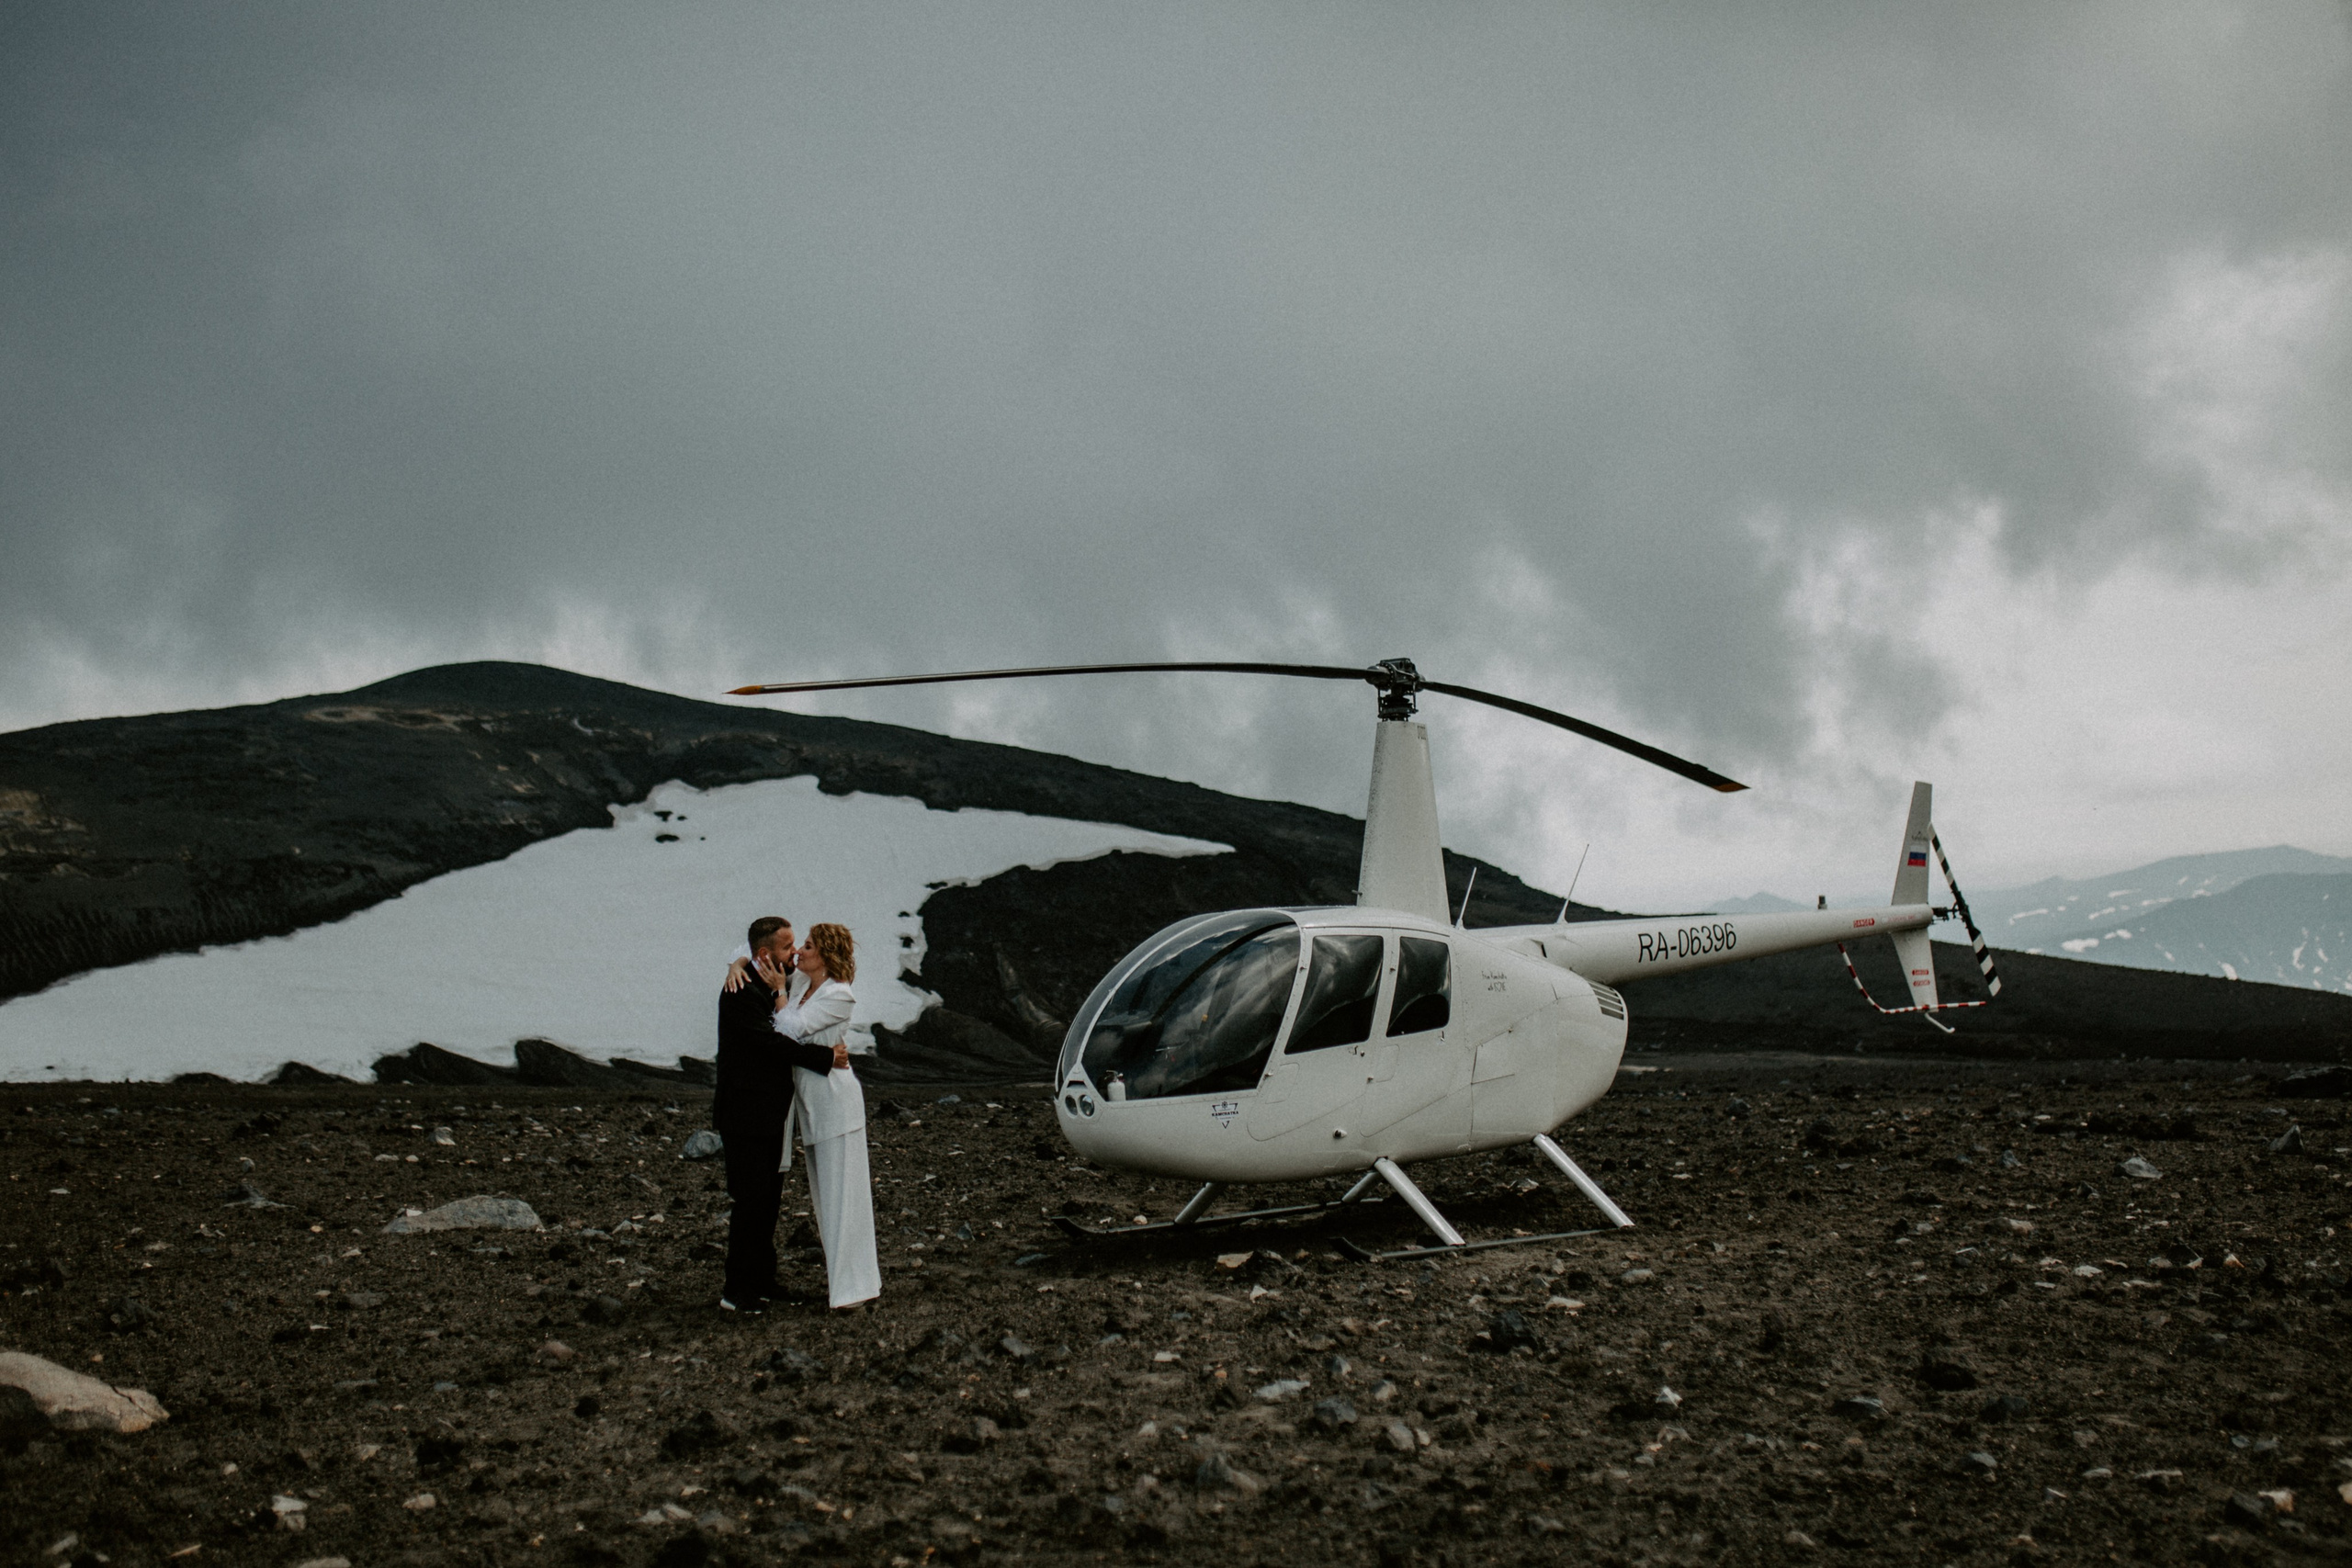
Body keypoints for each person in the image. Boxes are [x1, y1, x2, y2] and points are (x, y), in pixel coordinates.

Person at [712, 916, 843, 1314]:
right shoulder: (740, 991)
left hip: (769, 1115)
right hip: (745, 1116)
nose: (795, 952)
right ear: (766, 953)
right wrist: (824, 1057)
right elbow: (769, 1044)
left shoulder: (772, 980)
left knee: (767, 1202)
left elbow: (752, 953)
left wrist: (739, 961)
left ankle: (762, 1281)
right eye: (788, 947)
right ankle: (736, 1291)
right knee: (750, 1202)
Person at [771, 922, 881, 1310]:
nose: (799, 951)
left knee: (844, 1198)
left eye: (808, 946)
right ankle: (847, 1286)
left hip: (837, 1103)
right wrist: (737, 964)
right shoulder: (804, 983)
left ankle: (854, 1291)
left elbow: (791, 1029)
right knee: (827, 1199)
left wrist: (780, 993)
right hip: (813, 1105)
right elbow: (755, 955)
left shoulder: (839, 994)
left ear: (827, 954)